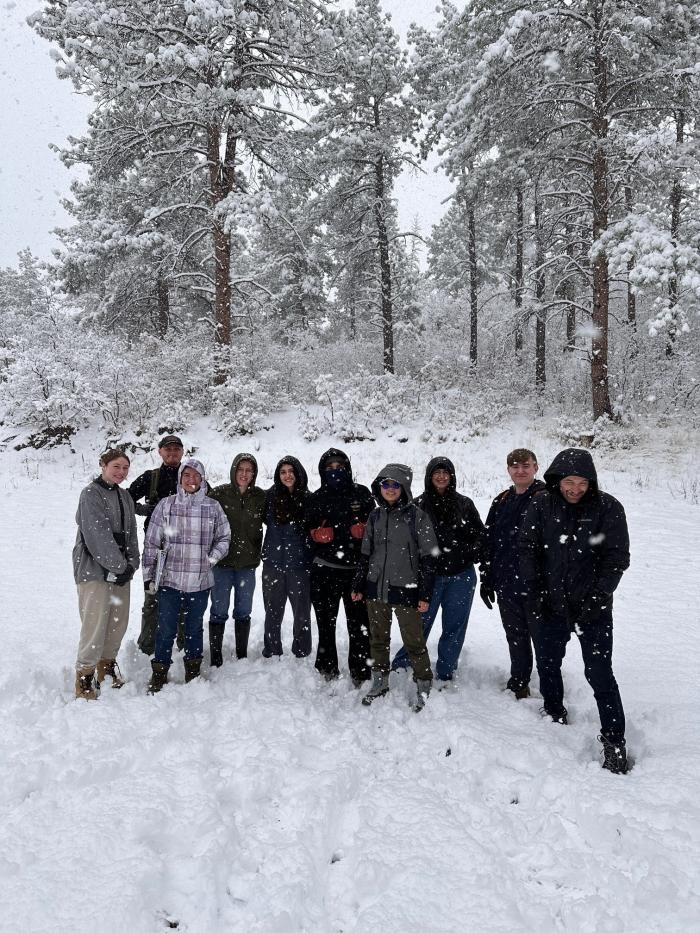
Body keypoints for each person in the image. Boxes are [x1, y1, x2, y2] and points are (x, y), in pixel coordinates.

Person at [519, 448, 631, 774]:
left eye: (582, 483)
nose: (575, 489)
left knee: (600, 673)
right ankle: (554, 710)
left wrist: (598, 596)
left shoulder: (608, 508)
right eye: (569, 482)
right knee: (548, 662)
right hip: (550, 606)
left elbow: (617, 558)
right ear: (557, 480)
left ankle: (614, 741)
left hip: (593, 610)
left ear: (591, 482)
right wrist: (536, 592)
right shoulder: (541, 504)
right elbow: (527, 549)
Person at [351, 464, 438, 711]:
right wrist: (359, 583)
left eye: (395, 484)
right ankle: (379, 682)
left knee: (414, 641)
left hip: (406, 588)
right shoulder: (375, 516)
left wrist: (424, 593)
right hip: (376, 588)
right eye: (386, 484)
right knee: (378, 639)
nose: (390, 489)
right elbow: (366, 554)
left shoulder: (417, 517)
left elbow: (429, 558)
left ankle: (423, 683)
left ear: (404, 487)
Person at [391, 457, 485, 685]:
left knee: (455, 626)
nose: (441, 477)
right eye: (436, 473)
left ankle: (446, 670)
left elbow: (480, 536)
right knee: (418, 624)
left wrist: (469, 552)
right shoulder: (418, 505)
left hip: (461, 576)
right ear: (429, 477)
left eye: (445, 472)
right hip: (427, 578)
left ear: (452, 476)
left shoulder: (465, 504)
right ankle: (403, 663)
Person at [143, 458, 230, 693]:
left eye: (196, 476)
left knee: (194, 628)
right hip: (169, 581)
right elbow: (152, 542)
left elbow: (224, 537)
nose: (191, 480)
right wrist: (148, 575)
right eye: (187, 475)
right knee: (166, 629)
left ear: (202, 479)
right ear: (180, 478)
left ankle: (193, 671)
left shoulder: (212, 507)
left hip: (200, 582)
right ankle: (159, 672)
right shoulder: (166, 505)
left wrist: (211, 558)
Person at [72, 449, 140, 700]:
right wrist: (119, 566)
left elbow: (131, 534)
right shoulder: (91, 494)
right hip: (94, 571)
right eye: (116, 466)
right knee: (95, 624)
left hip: (121, 571)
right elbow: (97, 536)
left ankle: (107, 669)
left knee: (117, 623)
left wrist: (132, 564)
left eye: (125, 468)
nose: (121, 472)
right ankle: (85, 677)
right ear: (103, 465)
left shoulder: (125, 496)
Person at [480, 448, 546, 699]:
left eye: (525, 466)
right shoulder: (502, 500)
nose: (520, 471)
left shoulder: (547, 498)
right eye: (515, 466)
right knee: (516, 637)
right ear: (508, 470)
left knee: (543, 641)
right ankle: (519, 683)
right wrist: (487, 577)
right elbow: (490, 541)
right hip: (506, 583)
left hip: (537, 585)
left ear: (535, 467)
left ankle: (551, 691)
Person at [306, 448, 375, 686]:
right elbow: (304, 532)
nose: (335, 471)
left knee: (359, 625)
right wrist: (315, 535)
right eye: (330, 468)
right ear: (323, 471)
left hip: (356, 572)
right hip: (324, 570)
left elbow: (377, 526)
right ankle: (327, 667)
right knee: (326, 624)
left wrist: (365, 530)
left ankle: (361, 670)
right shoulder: (316, 498)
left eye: (340, 467)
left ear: (348, 468)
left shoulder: (361, 494)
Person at [206, 453, 266, 665]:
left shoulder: (260, 497)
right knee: (218, 610)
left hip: (247, 565)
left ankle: (242, 654)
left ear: (254, 474)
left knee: (243, 611)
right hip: (222, 564)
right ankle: (216, 656)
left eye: (249, 470)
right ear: (234, 470)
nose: (244, 474)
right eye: (240, 469)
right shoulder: (219, 494)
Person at [128, 434, 184, 655]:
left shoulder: (190, 475)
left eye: (176, 449)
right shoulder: (151, 477)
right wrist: (145, 510)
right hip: (155, 548)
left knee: (184, 598)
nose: (172, 453)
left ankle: (184, 646)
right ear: (160, 452)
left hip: (184, 549)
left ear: (182, 452)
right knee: (152, 598)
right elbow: (127, 498)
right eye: (168, 449)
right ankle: (147, 647)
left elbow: (209, 500)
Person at [261, 456, 312, 659]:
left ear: (298, 473)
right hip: (273, 563)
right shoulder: (269, 497)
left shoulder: (308, 499)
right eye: (283, 472)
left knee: (301, 612)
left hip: (299, 565)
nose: (287, 475)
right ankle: (272, 649)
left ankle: (302, 650)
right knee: (272, 610)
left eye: (291, 471)